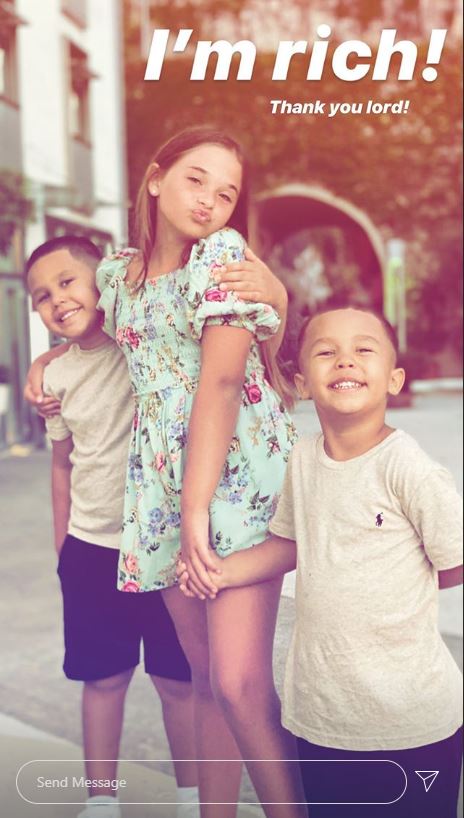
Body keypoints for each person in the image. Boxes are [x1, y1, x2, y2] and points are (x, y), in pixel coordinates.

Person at [24, 234, 286, 818]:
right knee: (103, 679)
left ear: (105, 283)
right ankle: (100, 801)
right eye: (42, 296)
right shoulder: (56, 380)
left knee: (180, 680)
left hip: (158, 538)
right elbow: (61, 466)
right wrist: (63, 549)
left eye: (67, 283)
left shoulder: (137, 339)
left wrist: (275, 293)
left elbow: (212, 352)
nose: (57, 300)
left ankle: (192, 797)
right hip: (93, 547)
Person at [91, 126, 305, 818]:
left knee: (239, 683)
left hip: (234, 474)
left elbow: (222, 381)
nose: (210, 200)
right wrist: (45, 366)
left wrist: (195, 512)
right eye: (195, 179)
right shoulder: (115, 275)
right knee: (207, 676)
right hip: (160, 481)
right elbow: (91, 341)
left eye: (227, 192)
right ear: (155, 179)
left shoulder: (221, 256)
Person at [179, 305, 463, 818]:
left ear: (394, 379)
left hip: (411, 720)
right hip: (323, 717)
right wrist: (221, 570)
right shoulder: (303, 459)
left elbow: (456, 559)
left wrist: (399, 585)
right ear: (302, 383)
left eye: (363, 350)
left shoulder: (408, 468)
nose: (345, 361)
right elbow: (291, 543)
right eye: (326, 352)